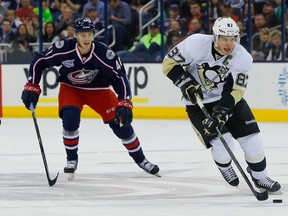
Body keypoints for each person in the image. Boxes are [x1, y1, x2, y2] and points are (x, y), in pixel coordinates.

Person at [21, 17, 160, 180]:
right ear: (76, 35)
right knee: (70, 120)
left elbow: (120, 77)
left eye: (89, 35)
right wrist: (32, 84)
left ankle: (142, 160)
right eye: (82, 35)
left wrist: (125, 101)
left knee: (121, 125)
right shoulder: (64, 48)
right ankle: (72, 160)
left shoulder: (104, 54)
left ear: (93, 35)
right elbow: (40, 61)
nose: (86, 39)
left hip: (100, 91)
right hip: (71, 89)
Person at [162, 17, 281, 192]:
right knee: (223, 145)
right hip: (198, 104)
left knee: (253, 141)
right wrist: (185, 83)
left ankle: (260, 176)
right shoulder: (196, 43)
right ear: (215, 37)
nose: (229, 43)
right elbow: (169, 63)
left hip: (228, 101)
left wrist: (221, 112)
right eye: (225, 38)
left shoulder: (243, 58)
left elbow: (236, 91)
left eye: (232, 39)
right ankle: (225, 166)